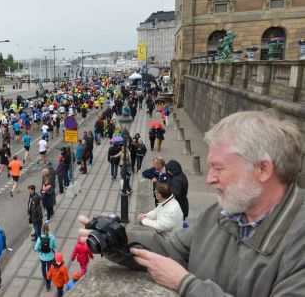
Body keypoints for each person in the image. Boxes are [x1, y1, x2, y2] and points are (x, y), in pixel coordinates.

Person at [78, 111, 305, 296]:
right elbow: (171, 249)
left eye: (219, 168)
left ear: (262, 169)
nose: (209, 178)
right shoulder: (224, 213)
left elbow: (180, 275)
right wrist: (118, 239)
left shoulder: (297, 240)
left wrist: (186, 285)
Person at [34, 223, 57, 291]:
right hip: (50, 257)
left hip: (42, 257)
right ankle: (48, 283)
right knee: (49, 269)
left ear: (42, 230)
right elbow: (55, 246)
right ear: (48, 229)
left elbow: (35, 248)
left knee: (43, 268)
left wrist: (40, 251)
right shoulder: (52, 237)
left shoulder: (40, 238)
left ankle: (46, 279)